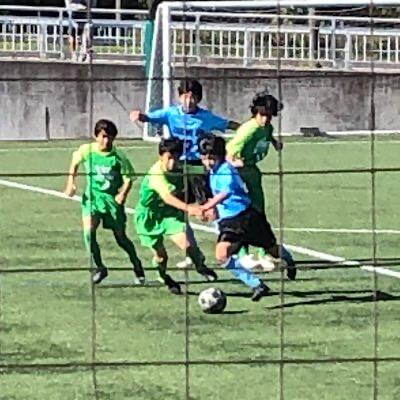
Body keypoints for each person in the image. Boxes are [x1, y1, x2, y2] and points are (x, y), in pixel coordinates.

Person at [198, 135, 297, 301]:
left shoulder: (226, 169)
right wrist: (212, 210)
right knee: (221, 255)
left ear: (220, 156)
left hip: (247, 217)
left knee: (272, 249)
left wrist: (207, 206)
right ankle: (257, 285)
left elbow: (226, 192)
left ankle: (289, 260)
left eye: (212, 158)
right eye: (205, 158)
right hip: (229, 223)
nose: (208, 162)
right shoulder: (212, 172)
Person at [130, 79, 240, 205]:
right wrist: (138, 115)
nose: (188, 101)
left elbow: (227, 124)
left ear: (198, 99)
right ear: (179, 97)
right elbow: (148, 117)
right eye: (185, 96)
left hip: (197, 163)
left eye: (193, 97)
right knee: (175, 196)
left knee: (203, 199)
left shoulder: (206, 117)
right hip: (177, 162)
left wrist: (246, 127)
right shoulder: (170, 113)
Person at [64, 119, 145, 285]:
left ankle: (137, 264)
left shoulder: (118, 157)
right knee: (88, 233)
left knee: (120, 238)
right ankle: (99, 267)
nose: (106, 141)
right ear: (96, 136)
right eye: (103, 136)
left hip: (111, 201)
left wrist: (123, 194)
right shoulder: (87, 150)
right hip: (92, 198)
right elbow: (74, 163)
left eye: (110, 137)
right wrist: (70, 183)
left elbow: (129, 178)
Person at [134, 137, 218, 295]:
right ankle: (163, 276)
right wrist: (190, 209)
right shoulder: (156, 174)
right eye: (169, 158)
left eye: (176, 157)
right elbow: (167, 197)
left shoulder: (181, 167)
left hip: (170, 213)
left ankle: (200, 266)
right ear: (161, 156)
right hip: (149, 216)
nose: (172, 162)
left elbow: (203, 170)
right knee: (161, 257)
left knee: (188, 244)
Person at [226, 92, 294, 268]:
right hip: (238, 173)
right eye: (262, 115)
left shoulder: (267, 127)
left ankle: (265, 254)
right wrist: (235, 162)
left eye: (269, 116)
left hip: (253, 172)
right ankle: (242, 254)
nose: (265, 119)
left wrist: (275, 143)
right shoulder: (248, 129)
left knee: (259, 212)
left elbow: (268, 134)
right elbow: (229, 151)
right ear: (255, 112)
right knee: (243, 214)